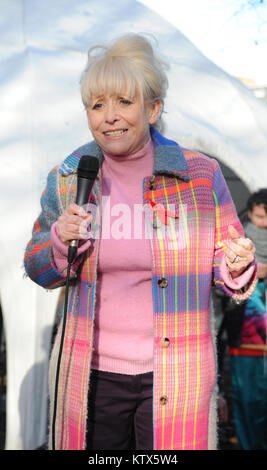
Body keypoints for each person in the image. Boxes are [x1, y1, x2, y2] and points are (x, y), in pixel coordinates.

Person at [24, 33, 257, 451]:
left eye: (124, 102)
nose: (110, 117)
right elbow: (38, 267)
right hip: (91, 377)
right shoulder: (69, 176)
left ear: (152, 108)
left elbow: (229, 271)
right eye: (97, 105)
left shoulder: (200, 177)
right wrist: (60, 240)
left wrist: (236, 264)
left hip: (176, 373)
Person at [226, 189, 267, 450]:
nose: (264, 222)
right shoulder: (238, 239)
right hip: (244, 333)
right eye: (259, 216)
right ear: (249, 213)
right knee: (245, 397)